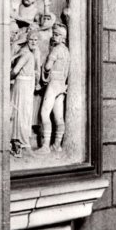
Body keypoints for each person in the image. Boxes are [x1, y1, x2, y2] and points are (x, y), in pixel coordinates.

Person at [37, 24, 70, 154]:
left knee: (44, 114)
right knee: (58, 117)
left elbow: (47, 67)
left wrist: (43, 66)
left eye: (57, 34)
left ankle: (45, 146)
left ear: (62, 37)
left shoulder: (56, 50)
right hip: (62, 85)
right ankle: (57, 145)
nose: (54, 36)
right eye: (54, 34)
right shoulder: (66, 51)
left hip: (54, 83)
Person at [10, 29, 41, 157]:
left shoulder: (30, 52)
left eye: (35, 40)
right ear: (27, 40)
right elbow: (15, 70)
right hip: (22, 85)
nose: (33, 42)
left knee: (24, 113)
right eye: (31, 39)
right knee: (22, 113)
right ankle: (22, 143)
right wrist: (9, 78)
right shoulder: (27, 54)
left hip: (26, 85)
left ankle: (20, 143)